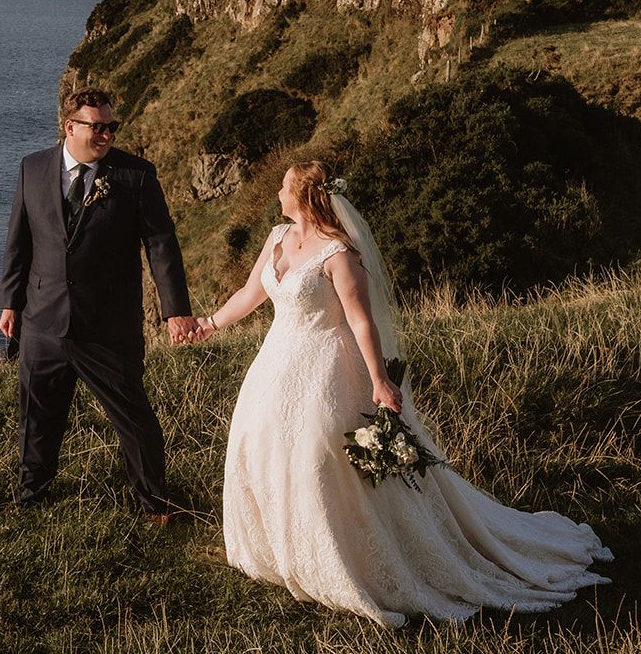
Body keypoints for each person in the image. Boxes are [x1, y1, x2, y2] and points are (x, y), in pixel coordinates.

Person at [195, 160, 612, 626]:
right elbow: (251, 293)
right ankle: (283, 551)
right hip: (275, 365)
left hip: (326, 367)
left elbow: (359, 319)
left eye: (284, 186)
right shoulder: (277, 237)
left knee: (318, 456)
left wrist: (378, 380)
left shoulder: (338, 254)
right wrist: (208, 324)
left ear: (306, 196)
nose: (277, 192)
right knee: (262, 445)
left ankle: (354, 560)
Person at [0, 87, 198, 520]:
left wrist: (175, 310)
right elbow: (19, 242)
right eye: (98, 126)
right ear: (70, 127)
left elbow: (161, 244)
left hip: (107, 326)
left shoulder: (135, 175)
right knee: (37, 415)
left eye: (112, 126)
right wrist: (10, 303)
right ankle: (31, 496)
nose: (107, 134)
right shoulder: (32, 168)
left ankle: (155, 503)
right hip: (42, 320)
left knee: (132, 415)